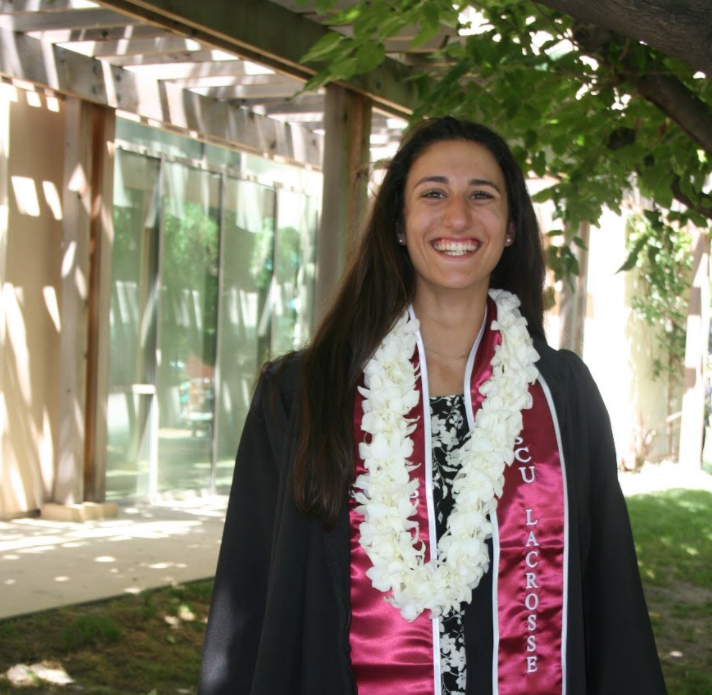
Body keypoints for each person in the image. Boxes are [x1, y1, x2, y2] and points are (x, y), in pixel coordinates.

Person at [199, 117, 668, 695]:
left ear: (513, 226)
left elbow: (610, 598)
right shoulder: (305, 394)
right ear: (398, 223)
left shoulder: (562, 394)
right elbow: (251, 600)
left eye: (482, 196)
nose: (458, 218)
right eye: (434, 193)